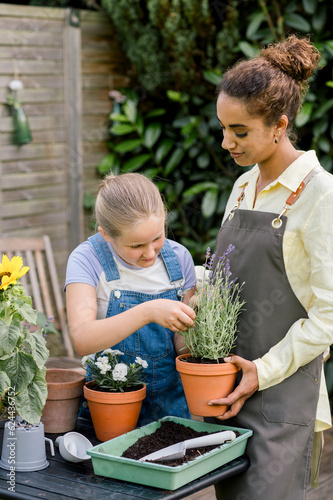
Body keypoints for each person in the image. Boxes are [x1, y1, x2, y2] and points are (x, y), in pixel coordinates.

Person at [207, 35, 333, 500]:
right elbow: (227, 275)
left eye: (239, 131)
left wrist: (263, 369)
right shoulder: (243, 187)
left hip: (282, 399)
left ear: (279, 125)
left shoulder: (322, 196)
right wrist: (196, 292)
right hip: (228, 392)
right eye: (223, 128)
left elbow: (328, 315)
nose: (226, 142)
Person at [65, 172, 196, 425]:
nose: (150, 253)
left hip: (170, 409)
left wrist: (200, 318)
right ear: (106, 235)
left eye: (157, 237)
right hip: (108, 406)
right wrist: (148, 312)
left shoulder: (179, 259)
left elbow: (184, 348)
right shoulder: (86, 259)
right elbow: (82, 339)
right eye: (136, 246)